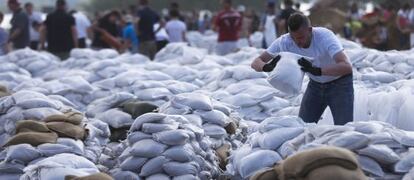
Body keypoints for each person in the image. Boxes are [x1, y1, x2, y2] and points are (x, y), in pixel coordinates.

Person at [251, 13, 353, 125]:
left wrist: (317, 70)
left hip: (340, 85)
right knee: (302, 126)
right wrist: (267, 67)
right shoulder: (285, 42)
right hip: (316, 86)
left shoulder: (324, 37)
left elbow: (346, 67)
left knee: (343, 129)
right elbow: (256, 62)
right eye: (293, 38)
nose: (297, 42)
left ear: (310, 30)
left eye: (300, 38)